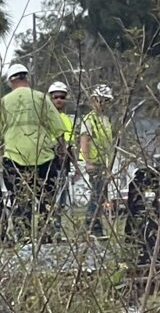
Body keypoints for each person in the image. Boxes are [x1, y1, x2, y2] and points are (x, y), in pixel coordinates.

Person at [0, 64, 66, 241]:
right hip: (43, 159)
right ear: (27, 78)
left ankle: (24, 241)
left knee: (21, 204)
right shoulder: (41, 98)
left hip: (14, 159)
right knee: (46, 203)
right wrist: (64, 153)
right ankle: (47, 240)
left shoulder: (5, 102)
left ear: (10, 81)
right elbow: (58, 129)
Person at [80, 84, 114, 237]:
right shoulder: (89, 119)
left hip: (103, 162)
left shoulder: (106, 120)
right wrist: (88, 161)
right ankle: (92, 222)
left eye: (105, 101)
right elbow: (85, 141)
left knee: (102, 194)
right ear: (93, 101)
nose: (102, 104)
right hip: (93, 162)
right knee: (97, 193)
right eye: (100, 100)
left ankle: (96, 220)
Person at [47, 82, 76, 212]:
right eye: (56, 97)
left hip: (64, 161)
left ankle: (57, 226)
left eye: (62, 97)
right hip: (49, 160)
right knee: (50, 195)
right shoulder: (45, 117)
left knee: (62, 197)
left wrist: (76, 166)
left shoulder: (67, 120)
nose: (59, 100)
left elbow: (71, 144)